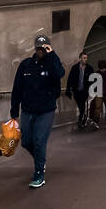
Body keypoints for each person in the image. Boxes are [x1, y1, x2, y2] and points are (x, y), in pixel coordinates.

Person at [11, 35, 65, 188]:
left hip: (46, 110)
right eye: (39, 47)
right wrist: (14, 110)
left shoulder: (52, 64)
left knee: (39, 142)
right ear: (35, 48)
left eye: (45, 47)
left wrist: (52, 54)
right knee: (26, 141)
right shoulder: (26, 65)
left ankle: (39, 172)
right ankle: (40, 160)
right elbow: (17, 88)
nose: (41, 50)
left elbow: (60, 73)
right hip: (28, 109)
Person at [66, 51, 94, 130]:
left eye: (86, 58)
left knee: (82, 106)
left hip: (85, 91)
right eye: (84, 58)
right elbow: (70, 79)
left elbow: (93, 79)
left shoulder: (89, 68)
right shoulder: (75, 68)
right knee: (80, 105)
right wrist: (68, 88)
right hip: (76, 91)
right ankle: (83, 118)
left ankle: (80, 120)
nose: (86, 59)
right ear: (80, 58)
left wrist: (90, 86)